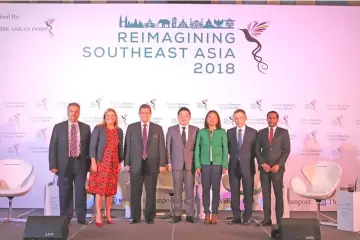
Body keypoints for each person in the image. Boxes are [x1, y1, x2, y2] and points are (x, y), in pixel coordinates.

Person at [48, 103, 91, 224]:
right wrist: (53, 165)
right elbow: (53, 147)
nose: (74, 113)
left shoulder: (86, 127)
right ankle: (65, 217)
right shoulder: (58, 127)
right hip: (63, 165)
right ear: (67, 112)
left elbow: (89, 148)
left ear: (79, 113)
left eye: (77, 111)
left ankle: (81, 217)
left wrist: (90, 165)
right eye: (71, 111)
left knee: (80, 192)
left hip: (80, 164)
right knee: (64, 191)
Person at [124, 104, 166, 224]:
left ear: (150, 114)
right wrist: (127, 162)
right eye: (142, 113)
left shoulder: (157, 128)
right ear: (139, 114)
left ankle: (149, 217)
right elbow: (127, 146)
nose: (145, 115)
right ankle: (135, 217)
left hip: (152, 164)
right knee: (135, 192)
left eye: (147, 113)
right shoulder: (131, 127)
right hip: (135, 164)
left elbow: (162, 147)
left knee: (151, 191)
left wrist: (162, 163)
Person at [87, 108, 124, 227]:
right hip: (101, 163)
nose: (110, 117)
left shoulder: (119, 131)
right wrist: (93, 162)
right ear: (104, 117)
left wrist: (120, 163)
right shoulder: (99, 128)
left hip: (114, 163)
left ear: (115, 117)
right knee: (99, 190)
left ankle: (108, 213)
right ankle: (98, 214)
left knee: (110, 190)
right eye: (108, 115)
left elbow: (120, 149)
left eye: (112, 115)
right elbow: (92, 146)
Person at [255, 111, 291, 226]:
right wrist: (262, 164)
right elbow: (256, 150)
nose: (271, 120)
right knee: (266, 195)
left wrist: (278, 165)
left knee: (278, 195)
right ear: (267, 119)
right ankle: (266, 219)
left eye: (273, 118)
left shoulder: (283, 132)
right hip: (264, 169)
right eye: (269, 118)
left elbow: (287, 150)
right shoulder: (260, 133)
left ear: (277, 119)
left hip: (277, 169)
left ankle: (280, 220)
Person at [194, 110, 228, 224]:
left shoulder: (222, 132)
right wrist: (198, 165)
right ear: (206, 119)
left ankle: (214, 213)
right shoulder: (201, 132)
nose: (212, 119)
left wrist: (224, 165)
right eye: (209, 117)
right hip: (205, 164)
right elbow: (197, 149)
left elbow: (225, 149)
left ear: (217, 120)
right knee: (205, 189)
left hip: (217, 165)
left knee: (216, 189)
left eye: (214, 117)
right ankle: (206, 213)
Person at [166, 107, 198, 224]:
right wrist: (169, 162)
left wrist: (197, 164)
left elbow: (197, 149)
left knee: (190, 191)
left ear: (190, 117)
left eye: (186, 116)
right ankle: (177, 214)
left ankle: (190, 215)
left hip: (191, 166)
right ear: (178, 117)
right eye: (181, 116)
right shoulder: (171, 129)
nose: (183, 118)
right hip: (176, 165)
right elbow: (168, 148)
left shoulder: (195, 130)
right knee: (177, 191)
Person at [227, 109, 257, 225]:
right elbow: (229, 149)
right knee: (234, 192)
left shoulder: (253, 132)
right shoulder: (229, 132)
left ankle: (247, 216)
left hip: (248, 166)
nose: (238, 120)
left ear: (245, 118)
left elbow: (255, 150)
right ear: (233, 119)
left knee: (248, 192)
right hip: (233, 166)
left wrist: (245, 158)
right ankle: (236, 217)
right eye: (236, 118)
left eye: (240, 118)